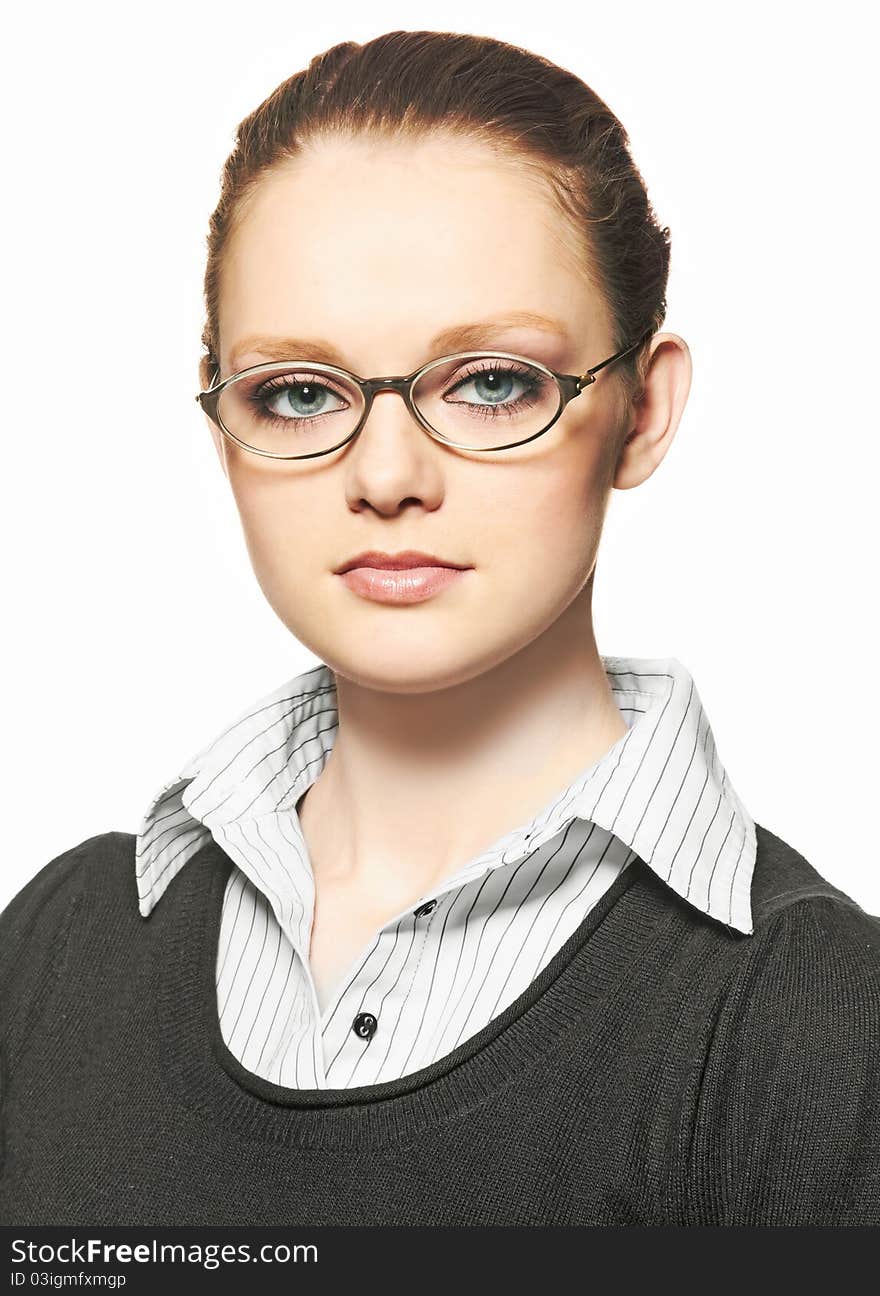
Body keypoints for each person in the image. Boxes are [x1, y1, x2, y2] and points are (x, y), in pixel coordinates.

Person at [1, 29, 878, 1228]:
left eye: (491, 381)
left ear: (641, 412)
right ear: (223, 426)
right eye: (299, 394)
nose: (387, 473)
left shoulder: (812, 1025)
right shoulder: (61, 943)